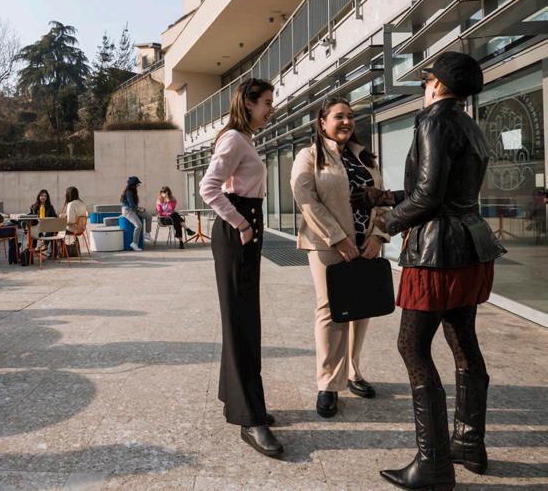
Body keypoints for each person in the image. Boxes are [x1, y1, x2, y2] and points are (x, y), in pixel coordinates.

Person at [362, 52, 506, 490]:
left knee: (412, 346)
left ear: (438, 84)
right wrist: (386, 197)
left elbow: (427, 198)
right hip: (471, 247)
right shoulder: (470, 125)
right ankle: (469, 444)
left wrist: (384, 225)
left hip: (437, 253)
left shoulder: (432, 121)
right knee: (463, 342)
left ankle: (433, 465)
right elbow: (444, 188)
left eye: (426, 80)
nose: (425, 87)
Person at [290, 97, 390, 419]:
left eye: (350, 116)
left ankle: (353, 371)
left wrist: (378, 235)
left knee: (361, 308)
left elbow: (382, 200)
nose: (346, 121)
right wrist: (339, 238)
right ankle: (328, 384)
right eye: (339, 116)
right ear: (322, 122)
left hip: (365, 244)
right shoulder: (309, 156)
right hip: (327, 244)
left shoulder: (365, 157)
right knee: (331, 310)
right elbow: (306, 199)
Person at [199, 77, 283, 457]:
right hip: (238, 234)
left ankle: (238, 400)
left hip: (246, 230)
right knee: (242, 322)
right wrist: (242, 224)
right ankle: (250, 418)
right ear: (248, 103)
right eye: (266, 102)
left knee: (244, 319)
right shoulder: (233, 139)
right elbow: (208, 187)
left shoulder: (244, 139)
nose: (271, 109)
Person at [28, 189, 57, 257]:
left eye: (45, 196)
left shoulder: (50, 207)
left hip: (47, 227)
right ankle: (34, 247)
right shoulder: (33, 206)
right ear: (39, 196)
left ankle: (45, 245)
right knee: (32, 226)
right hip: (37, 228)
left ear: (47, 198)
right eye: (41, 195)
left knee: (51, 228)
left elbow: (55, 217)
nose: (43, 197)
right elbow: (32, 217)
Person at [120, 176, 146, 252]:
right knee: (138, 225)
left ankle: (147, 234)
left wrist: (139, 209)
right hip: (128, 210)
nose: (138, 186)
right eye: (137, 184)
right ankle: (134, 243)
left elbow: (134, 205)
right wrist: (139, 209)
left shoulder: (133, 191)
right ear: (133, 185)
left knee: (148, 216)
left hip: (132, 209)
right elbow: (131, 204)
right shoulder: (128, 192)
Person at [60, 186, 88, 250]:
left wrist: (62, 221)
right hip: (81, 229)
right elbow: (78, 216)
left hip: (73, 229)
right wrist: (66, 215)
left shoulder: (71, 204)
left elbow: (71, 221)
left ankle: (59, 251)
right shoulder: (82, 203)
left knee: (55, 231)